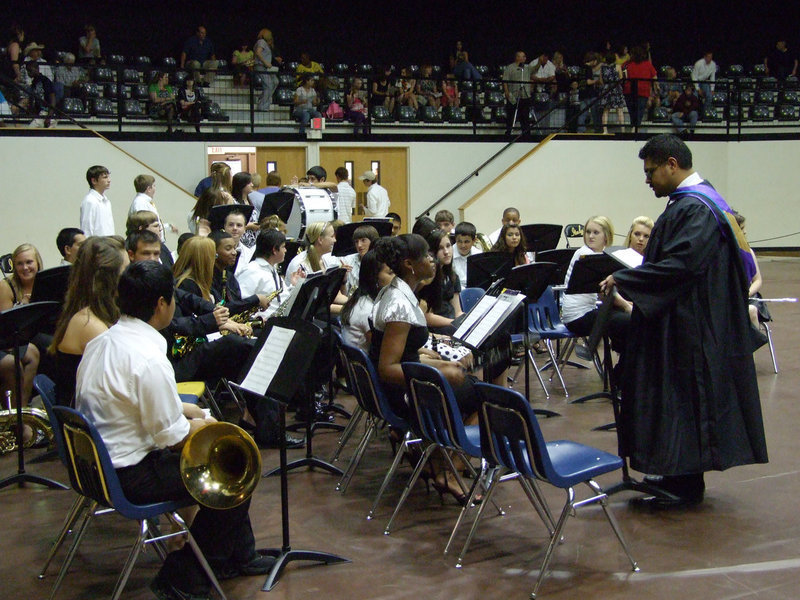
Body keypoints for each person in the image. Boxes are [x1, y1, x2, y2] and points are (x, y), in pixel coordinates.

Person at [76, 260, 272, 600]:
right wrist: (206, 424)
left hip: (97, 467)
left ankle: (237, 557)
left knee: (225, 454)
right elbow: (172, 437)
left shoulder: (103, 343)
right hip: (130, 476)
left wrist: (184, 408)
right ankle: (184, 576)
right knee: (236, 474)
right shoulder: (149, 358)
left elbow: (124, 399)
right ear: (161, 305)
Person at [600, 134, 768, 509]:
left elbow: (684, 264)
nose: (647, 180)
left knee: (684, 401)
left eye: (651, 172)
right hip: (685, 319)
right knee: (678, 402)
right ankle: (677, 473)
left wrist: (625, 279)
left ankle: (685, 484)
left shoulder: (696, 208)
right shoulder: (699, 203)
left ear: (671, 164)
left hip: (691, 327)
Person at [48, 236, 128, 406]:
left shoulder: (91, 313)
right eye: (125, 271)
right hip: (91, 421)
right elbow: (121, 388)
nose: (130, 279)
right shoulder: (90, 325)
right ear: (108, 278)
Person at [562, 216, 629, 341]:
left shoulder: (601, 254)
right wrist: (626, 306)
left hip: (589, 311)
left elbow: (604, 294)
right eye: (588, 232)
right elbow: (606, 291)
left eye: (595, 232)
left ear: (606, 236)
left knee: (622, 319)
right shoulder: (585, 254)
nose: (590, 236)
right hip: (577, 317)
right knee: (624, 321)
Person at [0, 244, 43, 411]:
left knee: (34, 352)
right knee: (12, 363)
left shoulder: (44, 282)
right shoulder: (6, 286)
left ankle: (22, 410)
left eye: (29, 262)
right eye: (19, 263)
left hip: (25, 335)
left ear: (38, 263)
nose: (25, 268)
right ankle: (13, 416)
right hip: (6, 339)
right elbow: (6, 329)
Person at [237, 229, 305, 318]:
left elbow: (282, 300)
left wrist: (293, 286)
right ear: (274, 250)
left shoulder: (271, 269)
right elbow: (242, 303)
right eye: (283, 247)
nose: (285, 250)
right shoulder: (252, 270)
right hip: (260, 325)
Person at [340, 250, 393, 352]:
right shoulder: (367, 310)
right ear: (374, 277)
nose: (396, 278)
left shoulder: (361, 298)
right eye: (391, 273)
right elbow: (384, 351)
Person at [419, 229, 463, 333]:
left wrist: (464, 321)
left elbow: (458, 311)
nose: (446, 252)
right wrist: (454, 322)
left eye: (448, 246)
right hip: (437, 327)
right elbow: (426, 317)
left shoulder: (453, 276)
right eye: (440, 248)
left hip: (451, 323)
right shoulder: (427, 280)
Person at [502, 51, 533, 136]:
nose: (522, 58)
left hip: (525, 95)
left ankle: (526, 133)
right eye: (520, 56)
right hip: (514, 95)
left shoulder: (527, 68)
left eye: (523, 57)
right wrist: (507, 92)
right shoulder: (510, 68)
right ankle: (509, 132)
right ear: (516, 57)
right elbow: (505, 81)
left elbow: (535, 69)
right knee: (511, 115)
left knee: (525, 116)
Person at [80, 165, 114, 236]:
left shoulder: (107, 201)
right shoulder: (90, 201)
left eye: (108, 177)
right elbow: (87, 229)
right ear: (94, 181)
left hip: (109, 244)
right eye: (105, 177)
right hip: (97, 245)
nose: (109, 180)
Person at [253, 28, 278, 112]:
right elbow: (258, 52)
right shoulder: (261, 42)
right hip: (261, 66)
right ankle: (262, 106)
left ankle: (262, 98)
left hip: (266, 67)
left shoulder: (265, 43)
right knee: (268, 85)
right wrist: (265, 62)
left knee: (275, 81)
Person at [452, 221, 481, 286]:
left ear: (474, 241)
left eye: (467, 242)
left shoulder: (479, 255)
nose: (463, 245)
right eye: (459, 241)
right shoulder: (449, 255)